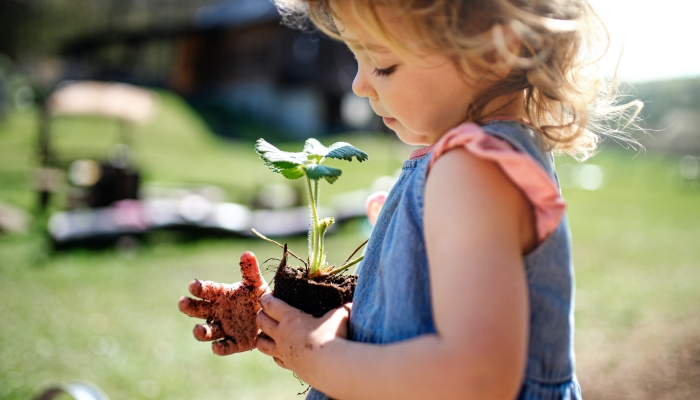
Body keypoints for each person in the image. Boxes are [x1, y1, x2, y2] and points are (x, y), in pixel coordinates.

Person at [179, 0, 640, 398]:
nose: (360, 84)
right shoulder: (473, 164)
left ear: (496, 47)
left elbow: (476, 379)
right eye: (355, 57)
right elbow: (414, 322)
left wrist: (320, 358)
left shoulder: (472, 171)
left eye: (383, 63)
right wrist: (288, 321)